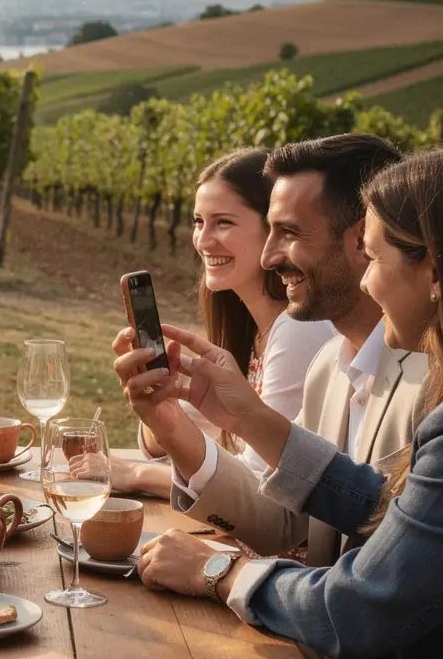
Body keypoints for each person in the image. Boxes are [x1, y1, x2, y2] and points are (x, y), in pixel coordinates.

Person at [132, 144, 443, 659]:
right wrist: (241, 412)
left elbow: (360, 606)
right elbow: (382, 503)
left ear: (433, 269)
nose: (371, 282)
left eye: (375, 258)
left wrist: (221, 573)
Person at [132, 134, 426, 565]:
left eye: (288, 232)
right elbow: (283, 519)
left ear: (364, 240)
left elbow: (388, 579)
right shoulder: (331, 363)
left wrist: (218, 572)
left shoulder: (437, 385)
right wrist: (172, 427)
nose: (270, 257)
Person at [111, 148, 333, 500]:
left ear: (273, 229)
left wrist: (136, 475)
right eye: (199, 221)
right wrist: (159, 404)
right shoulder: (248, 329)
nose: (203, 239)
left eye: (223, 222)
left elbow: (265, 487)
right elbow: (178, 437)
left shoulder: (298, 330)